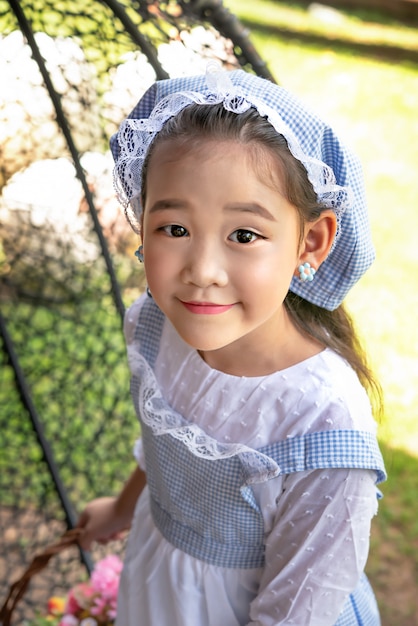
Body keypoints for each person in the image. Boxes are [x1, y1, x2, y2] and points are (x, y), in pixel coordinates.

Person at [77, 64, 386, 626]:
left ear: (310, 242)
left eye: (244, 235)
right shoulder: (156, 325)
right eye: (174, 228)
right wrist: (122, 509)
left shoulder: (322, 424)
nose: (202, 271)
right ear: (141, 219)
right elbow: (168, 442)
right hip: (160, 582)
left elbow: (296, 612)